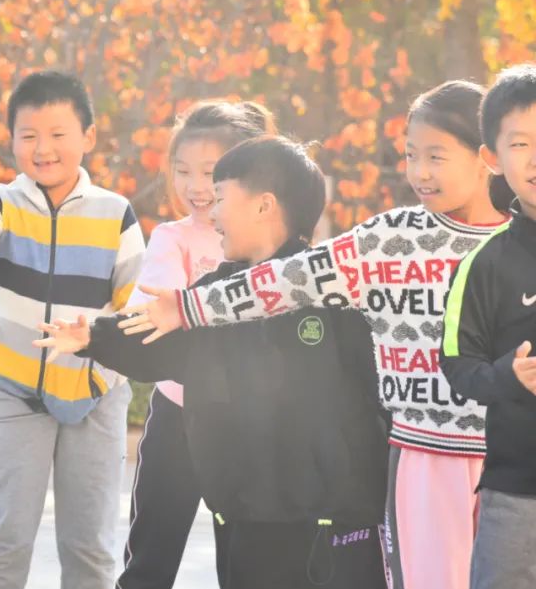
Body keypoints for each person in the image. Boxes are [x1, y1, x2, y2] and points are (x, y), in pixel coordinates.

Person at [120, 80, 510, 589]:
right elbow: (286, 280)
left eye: (435, 156)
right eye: (411, 155)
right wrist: (189, 306)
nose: (419, 172)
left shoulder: (516, 241)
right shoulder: (388, 238)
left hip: (509, 457)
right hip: (420, 455)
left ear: (486, 156)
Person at [39, 137, 389, 589]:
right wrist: (95, 337)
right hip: (239, 506)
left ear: (264, 205)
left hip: (321, 516)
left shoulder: (331, 293)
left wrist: (365, 495)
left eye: (222, 197)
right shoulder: (213, 294)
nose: (213, 213)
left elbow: (372, 393)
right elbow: (164, 344)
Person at [0, 71, 145, 589]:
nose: (43, 148)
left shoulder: (115, 213)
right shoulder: (0, 203)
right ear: (11, 142)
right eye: (29, 136)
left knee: (90, 551)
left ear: (88, 138)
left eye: (58, 134)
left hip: (95, 391)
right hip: (12, 388)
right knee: (1, 546)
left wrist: (103, 333)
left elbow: (135, 301)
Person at [116, 100, 275, 589]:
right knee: (151, 555)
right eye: (182, 171)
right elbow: (157, 309)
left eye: (210, 172)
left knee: (247, 561)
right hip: (178, 416)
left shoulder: (272, 243)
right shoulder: (172, 238)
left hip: (249, 422)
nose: (195, 186)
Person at [441, 64, 536, 589]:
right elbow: (457, 362)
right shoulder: (485, 263)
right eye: (521, 143)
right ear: (492, 158)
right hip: (516, 494)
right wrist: (508, 376)